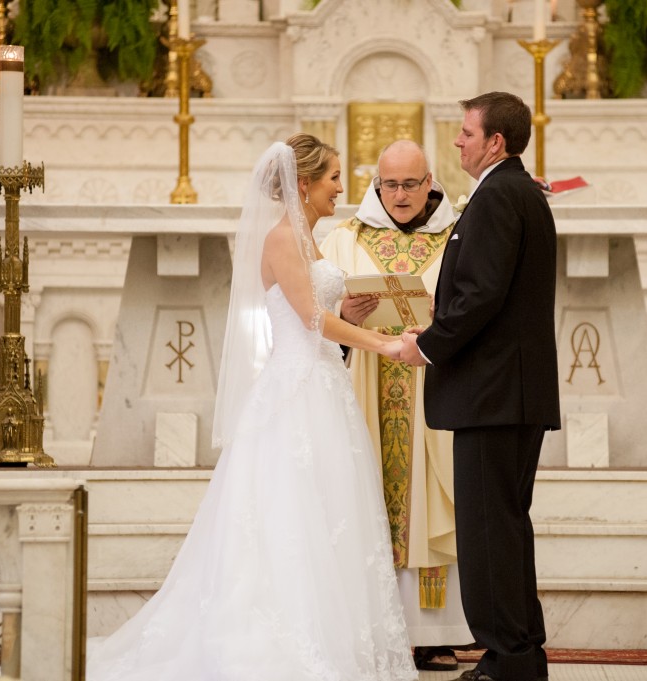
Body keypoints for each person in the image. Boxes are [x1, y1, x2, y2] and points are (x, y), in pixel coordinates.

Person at [86, 134, 418, 681]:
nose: (343, 188)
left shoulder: (312, 239)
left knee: (328, 515)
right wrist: (386, 344)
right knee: (290, 516)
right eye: (334, 177)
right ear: (305, 185)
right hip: (296, 393)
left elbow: (318, 313)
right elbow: (311, 324)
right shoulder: (283, 239)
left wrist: (353, 314)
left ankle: (331, 639)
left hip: (323, 385)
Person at [401, 92, 561, 681]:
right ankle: (519, 652)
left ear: (495, 141)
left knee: (490, 532)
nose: (458, 142)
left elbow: (481, 295)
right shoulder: (516, 191)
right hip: (509, 392)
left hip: (493, 395)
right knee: (505, 528)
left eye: (466, 133)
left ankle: (507, 662)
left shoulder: (499, 195)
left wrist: (427, 344)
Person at [320, 140, 473, 673]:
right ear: (376, 184)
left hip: (436, 388)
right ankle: (376, 631)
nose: (401, 195)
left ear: (431, 181)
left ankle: (436, 633)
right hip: (365, 385)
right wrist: (348, 314)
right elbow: (315, 319)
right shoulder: (343, 239)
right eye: (391, 184)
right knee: (367, 503)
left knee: (435, 498)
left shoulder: (459, 238)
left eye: (411, 184)